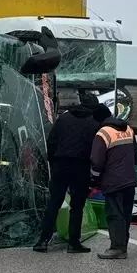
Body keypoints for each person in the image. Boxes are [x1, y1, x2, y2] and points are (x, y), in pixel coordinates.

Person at [32, 95, 105, 253]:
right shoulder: (95, 123)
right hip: (81, 166)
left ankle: (43, 241)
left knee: (54, 202)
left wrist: (53, 161)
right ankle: (73, 243)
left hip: (60, 164)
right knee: (77, 206)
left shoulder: (64, 118)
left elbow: (52, 140)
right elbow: (96, 149)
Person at [90, 108, 137, 260]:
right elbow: (136, 156)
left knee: (114, 214)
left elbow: (96, 162)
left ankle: (117, 248)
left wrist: (93, 178)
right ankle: (123, 246)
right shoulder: (128, 129)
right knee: (125, 214)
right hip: (130, 180)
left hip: (113, 181)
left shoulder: (103, 133)